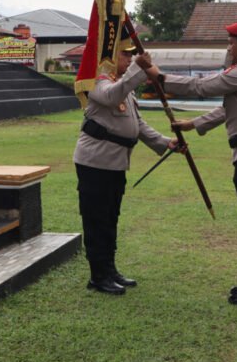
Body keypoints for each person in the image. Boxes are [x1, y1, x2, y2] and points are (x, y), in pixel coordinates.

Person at [142, 21, 237, 308]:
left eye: (231, 43)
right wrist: (194, 124)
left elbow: (202, 86)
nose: (228, 48)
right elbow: (227, 109)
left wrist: (159, 76)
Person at [73, 40, 180, 295]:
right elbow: (111, 97)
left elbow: (137, 125)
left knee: (111, 218)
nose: (130, 60)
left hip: (115, 163)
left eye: (132, 56)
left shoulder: (124, 86)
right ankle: (98, 276)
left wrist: (165, 142)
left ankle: (109, 269)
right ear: (110, 57)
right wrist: (138, 69)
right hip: (95, 163)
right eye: (125, 55)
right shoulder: (96, 81)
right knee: (97, 220)